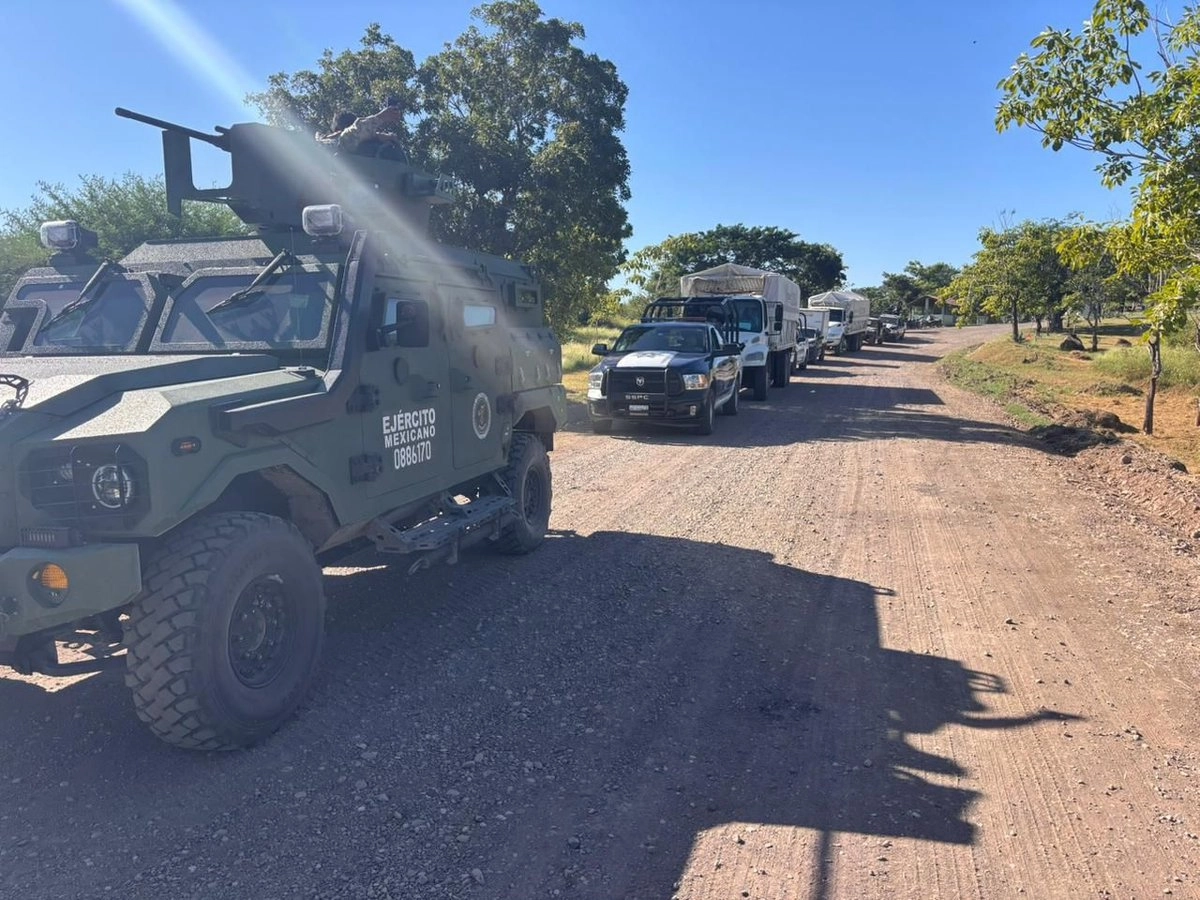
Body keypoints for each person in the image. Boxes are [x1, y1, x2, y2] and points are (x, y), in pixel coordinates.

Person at [316, 104, 404, 155]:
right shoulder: (325, 145)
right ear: (337, 131)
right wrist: (380, 117)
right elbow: (348, 138)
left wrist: (377, 137)